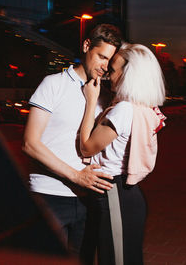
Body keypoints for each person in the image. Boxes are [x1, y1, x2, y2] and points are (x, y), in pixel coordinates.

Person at [22, 24, 123, 256]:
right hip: (48, 196)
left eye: (109, 61)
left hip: (88, 201)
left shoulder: (104, 96)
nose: (104, 66)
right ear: (87, 46)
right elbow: (30, 143)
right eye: (101, 57)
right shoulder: (53, 84)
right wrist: (77, 176)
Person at [80, 43, 167, 265]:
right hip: (125, 195)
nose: (109, 74)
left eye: (115, 69)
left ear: (129, 75)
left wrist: (91, 101)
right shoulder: (143, 106)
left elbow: (87, 148)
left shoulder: (124, 109)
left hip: (114, 194)